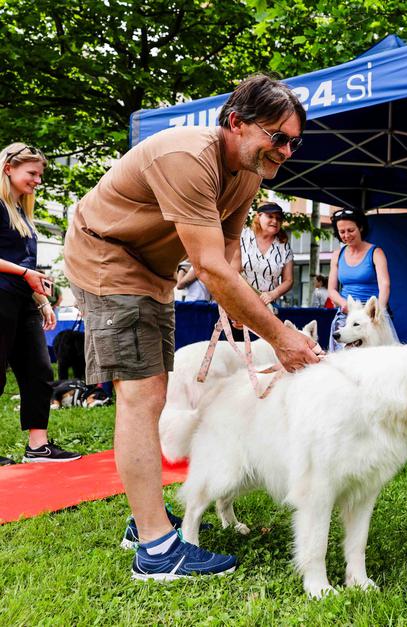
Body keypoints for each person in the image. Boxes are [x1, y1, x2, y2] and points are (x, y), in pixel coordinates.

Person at [63, 74, 323, 580]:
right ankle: (158, 551)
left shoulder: (250, 172)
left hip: (153, 272)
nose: (287, 151)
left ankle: (146, 522)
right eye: (278, 136)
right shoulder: (186, 156)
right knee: (141, 394)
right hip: (107, 258)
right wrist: (280, 337)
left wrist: (235, 303)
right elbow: (209, 267)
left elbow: (227, 252)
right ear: (236, 122)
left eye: (294, 141)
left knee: (155, 394)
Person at [0, 143, 81, 466]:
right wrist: (25, 274)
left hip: (24, 301)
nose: (38, 180)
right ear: (9, 168)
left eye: (40, 174)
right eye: (32, 173)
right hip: (1, 296)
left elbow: (26, 262)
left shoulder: (22, 211)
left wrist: (42, 301)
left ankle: (38, 446)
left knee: (39, 369)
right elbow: (20, 266)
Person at [326, 207, 393, 351]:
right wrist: (345, 305)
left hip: (370, 314)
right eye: (342, 232)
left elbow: (385, 284)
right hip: (346, 313)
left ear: (361, 228)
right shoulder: (337, 255)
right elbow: (331, 289)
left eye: (350, 230)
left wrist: (377, 313)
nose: (346, 235)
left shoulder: (376, 252)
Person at [235, 202, 294, 307]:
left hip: (267, 305)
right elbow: (232, 271)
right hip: (239, 301)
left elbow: (288, 280)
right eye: (270, 216)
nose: (275, 221)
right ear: (258, 216)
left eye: (279, 218)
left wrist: (272, 294)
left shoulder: (284, 246)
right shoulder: (242, 236)